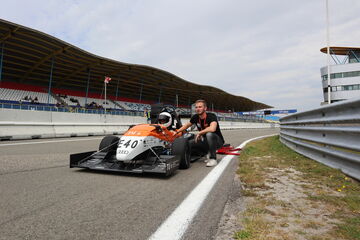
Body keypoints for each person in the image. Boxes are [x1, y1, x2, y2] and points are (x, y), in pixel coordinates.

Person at [176, 99, 224, 167]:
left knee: (209, 134)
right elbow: (186, 125)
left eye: (200, 107)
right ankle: (204, 153)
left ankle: (213, 159)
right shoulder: (195, 117)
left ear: (205, 108)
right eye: (196, 107)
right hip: (205, 141)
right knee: (189, 143)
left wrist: (200, 133)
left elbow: (212, 129)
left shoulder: (211, 116)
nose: (198, 109)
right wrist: (177, 131)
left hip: (217, 141)